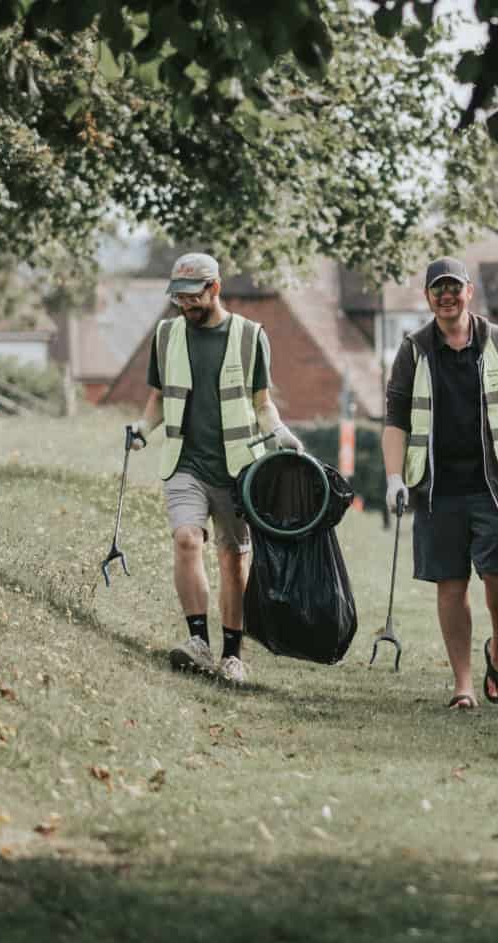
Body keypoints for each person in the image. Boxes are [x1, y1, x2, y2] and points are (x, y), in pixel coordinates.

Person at [382, 256, 498, 710]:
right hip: (437, 489)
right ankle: (462, 685)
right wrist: (394, 478)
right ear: (428, 297)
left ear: (469, 292)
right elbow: (395, 418)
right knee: (451, 585)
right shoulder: (413, 349)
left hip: (495, 484)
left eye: (454, 287)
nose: (447, 295)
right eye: (438, 289)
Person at [128, 252, 303, 685]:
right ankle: (197, 642)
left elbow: (262, 402)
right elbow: (159, 398)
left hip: (238, 468)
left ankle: (232, 655)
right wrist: (142, 429)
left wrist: (279, 431)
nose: (185, 305)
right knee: (187, 540)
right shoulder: (166, 334)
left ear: (215, 289)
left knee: (233, 560)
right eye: (179, 298)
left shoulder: (249, 336)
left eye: (192, 297)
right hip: (185, 461)